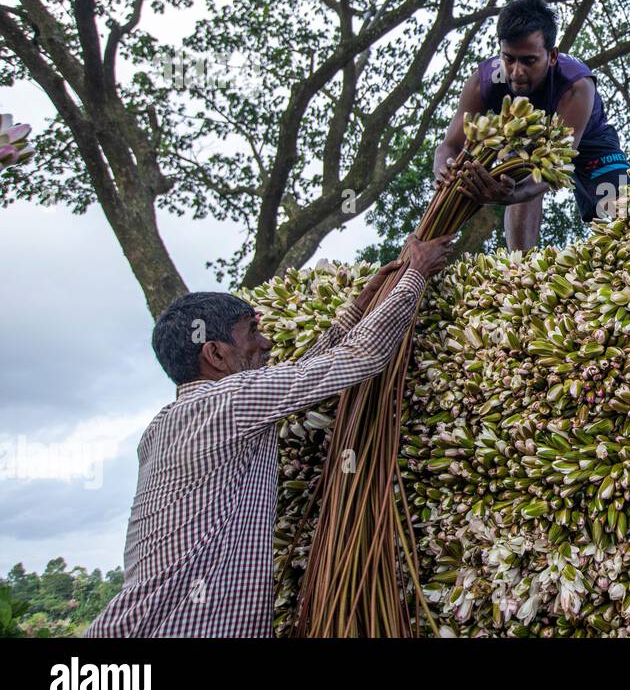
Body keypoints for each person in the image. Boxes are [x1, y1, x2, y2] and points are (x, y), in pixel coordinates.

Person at [83, 233, 456, 637]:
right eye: (250, 332)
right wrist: (415, 274)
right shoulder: (229, 401)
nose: (265, 342)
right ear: (216, 354)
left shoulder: (166, 424)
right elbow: (357, 359)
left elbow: (300, 376)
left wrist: (357, 309)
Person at [434, 0, 630, 249]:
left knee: (622, 208)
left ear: (551, 56)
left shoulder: (576, 86)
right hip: (524, 139)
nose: (517, 72)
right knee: (521, 168)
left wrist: (511, 194)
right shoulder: (482, 82)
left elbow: (555, 168)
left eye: (529, 61)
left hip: (587, 141)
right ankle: (520, 269)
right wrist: (443, 171)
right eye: (509, 59)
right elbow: (449, 146)